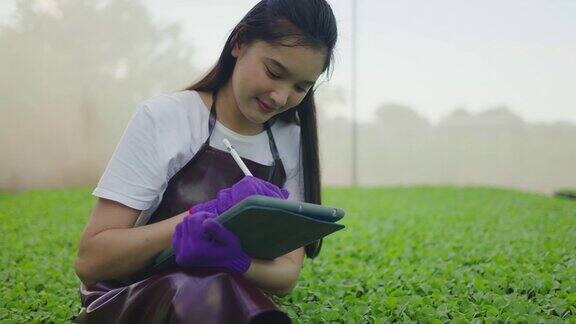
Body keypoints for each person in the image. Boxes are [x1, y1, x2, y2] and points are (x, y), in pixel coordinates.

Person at [73, 0, 338, 322]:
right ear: (239, 42)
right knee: (207, 288)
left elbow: (286, 276)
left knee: (218, 285)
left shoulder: (291, 141)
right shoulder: (166, 118)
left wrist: (237, 262)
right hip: (134, 294)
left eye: (301, 87)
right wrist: (206, 214)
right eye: (274, 72)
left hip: (228, 293)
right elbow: (92, 262)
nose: (281, 97)